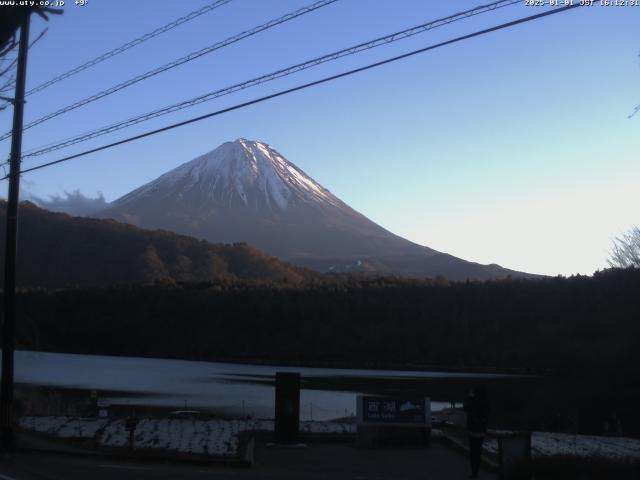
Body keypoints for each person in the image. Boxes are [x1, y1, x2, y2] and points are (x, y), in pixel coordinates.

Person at [464, 385, 490, 479]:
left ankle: (474, 472)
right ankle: (476, 471)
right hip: (481, 430)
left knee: (473, 451)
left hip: (472, 430)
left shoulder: (473, 401)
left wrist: (469, 396)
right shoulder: (486, 402)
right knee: (478, 450)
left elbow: (466, 407)